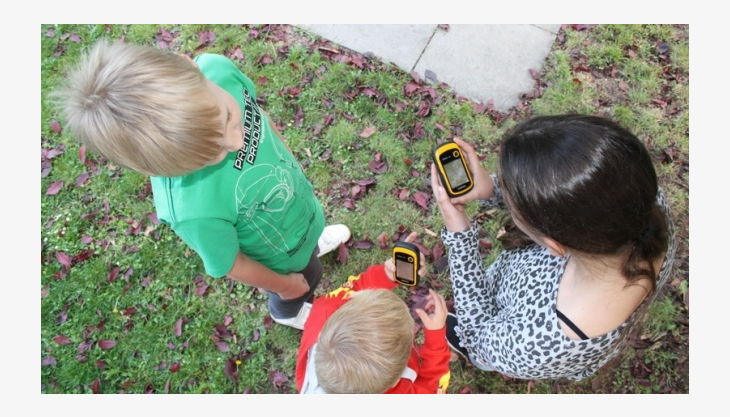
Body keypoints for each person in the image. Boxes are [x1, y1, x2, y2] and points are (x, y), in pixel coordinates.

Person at [54, 40, 350, 329]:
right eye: (213, 154)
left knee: (308, 251)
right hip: (278, 260)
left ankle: (309, 243)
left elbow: (261, 116)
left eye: (230, 118)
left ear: (190, 66)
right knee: (306, 278)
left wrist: (290, 160)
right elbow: (232, 263)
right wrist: (285, 286)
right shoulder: (191, 210)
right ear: (157, 169)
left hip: (297, 209)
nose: (237, 141)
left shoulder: (219, 70)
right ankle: (287, 311)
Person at [431, 115, 676, 381]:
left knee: (473, 335)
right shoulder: (642, 201)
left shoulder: (535, 344)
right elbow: (581, 206)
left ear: (554, 243)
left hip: (501, 320)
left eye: (514, 205)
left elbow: (478, 338)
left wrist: (461, 237)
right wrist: (492, 190)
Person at [296, 233, 451, 394]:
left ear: (321, 335)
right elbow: (431, 387)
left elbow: (355, 288)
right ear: (395, 382)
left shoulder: (323, 310)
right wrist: (436, 341)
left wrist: (386, 275)